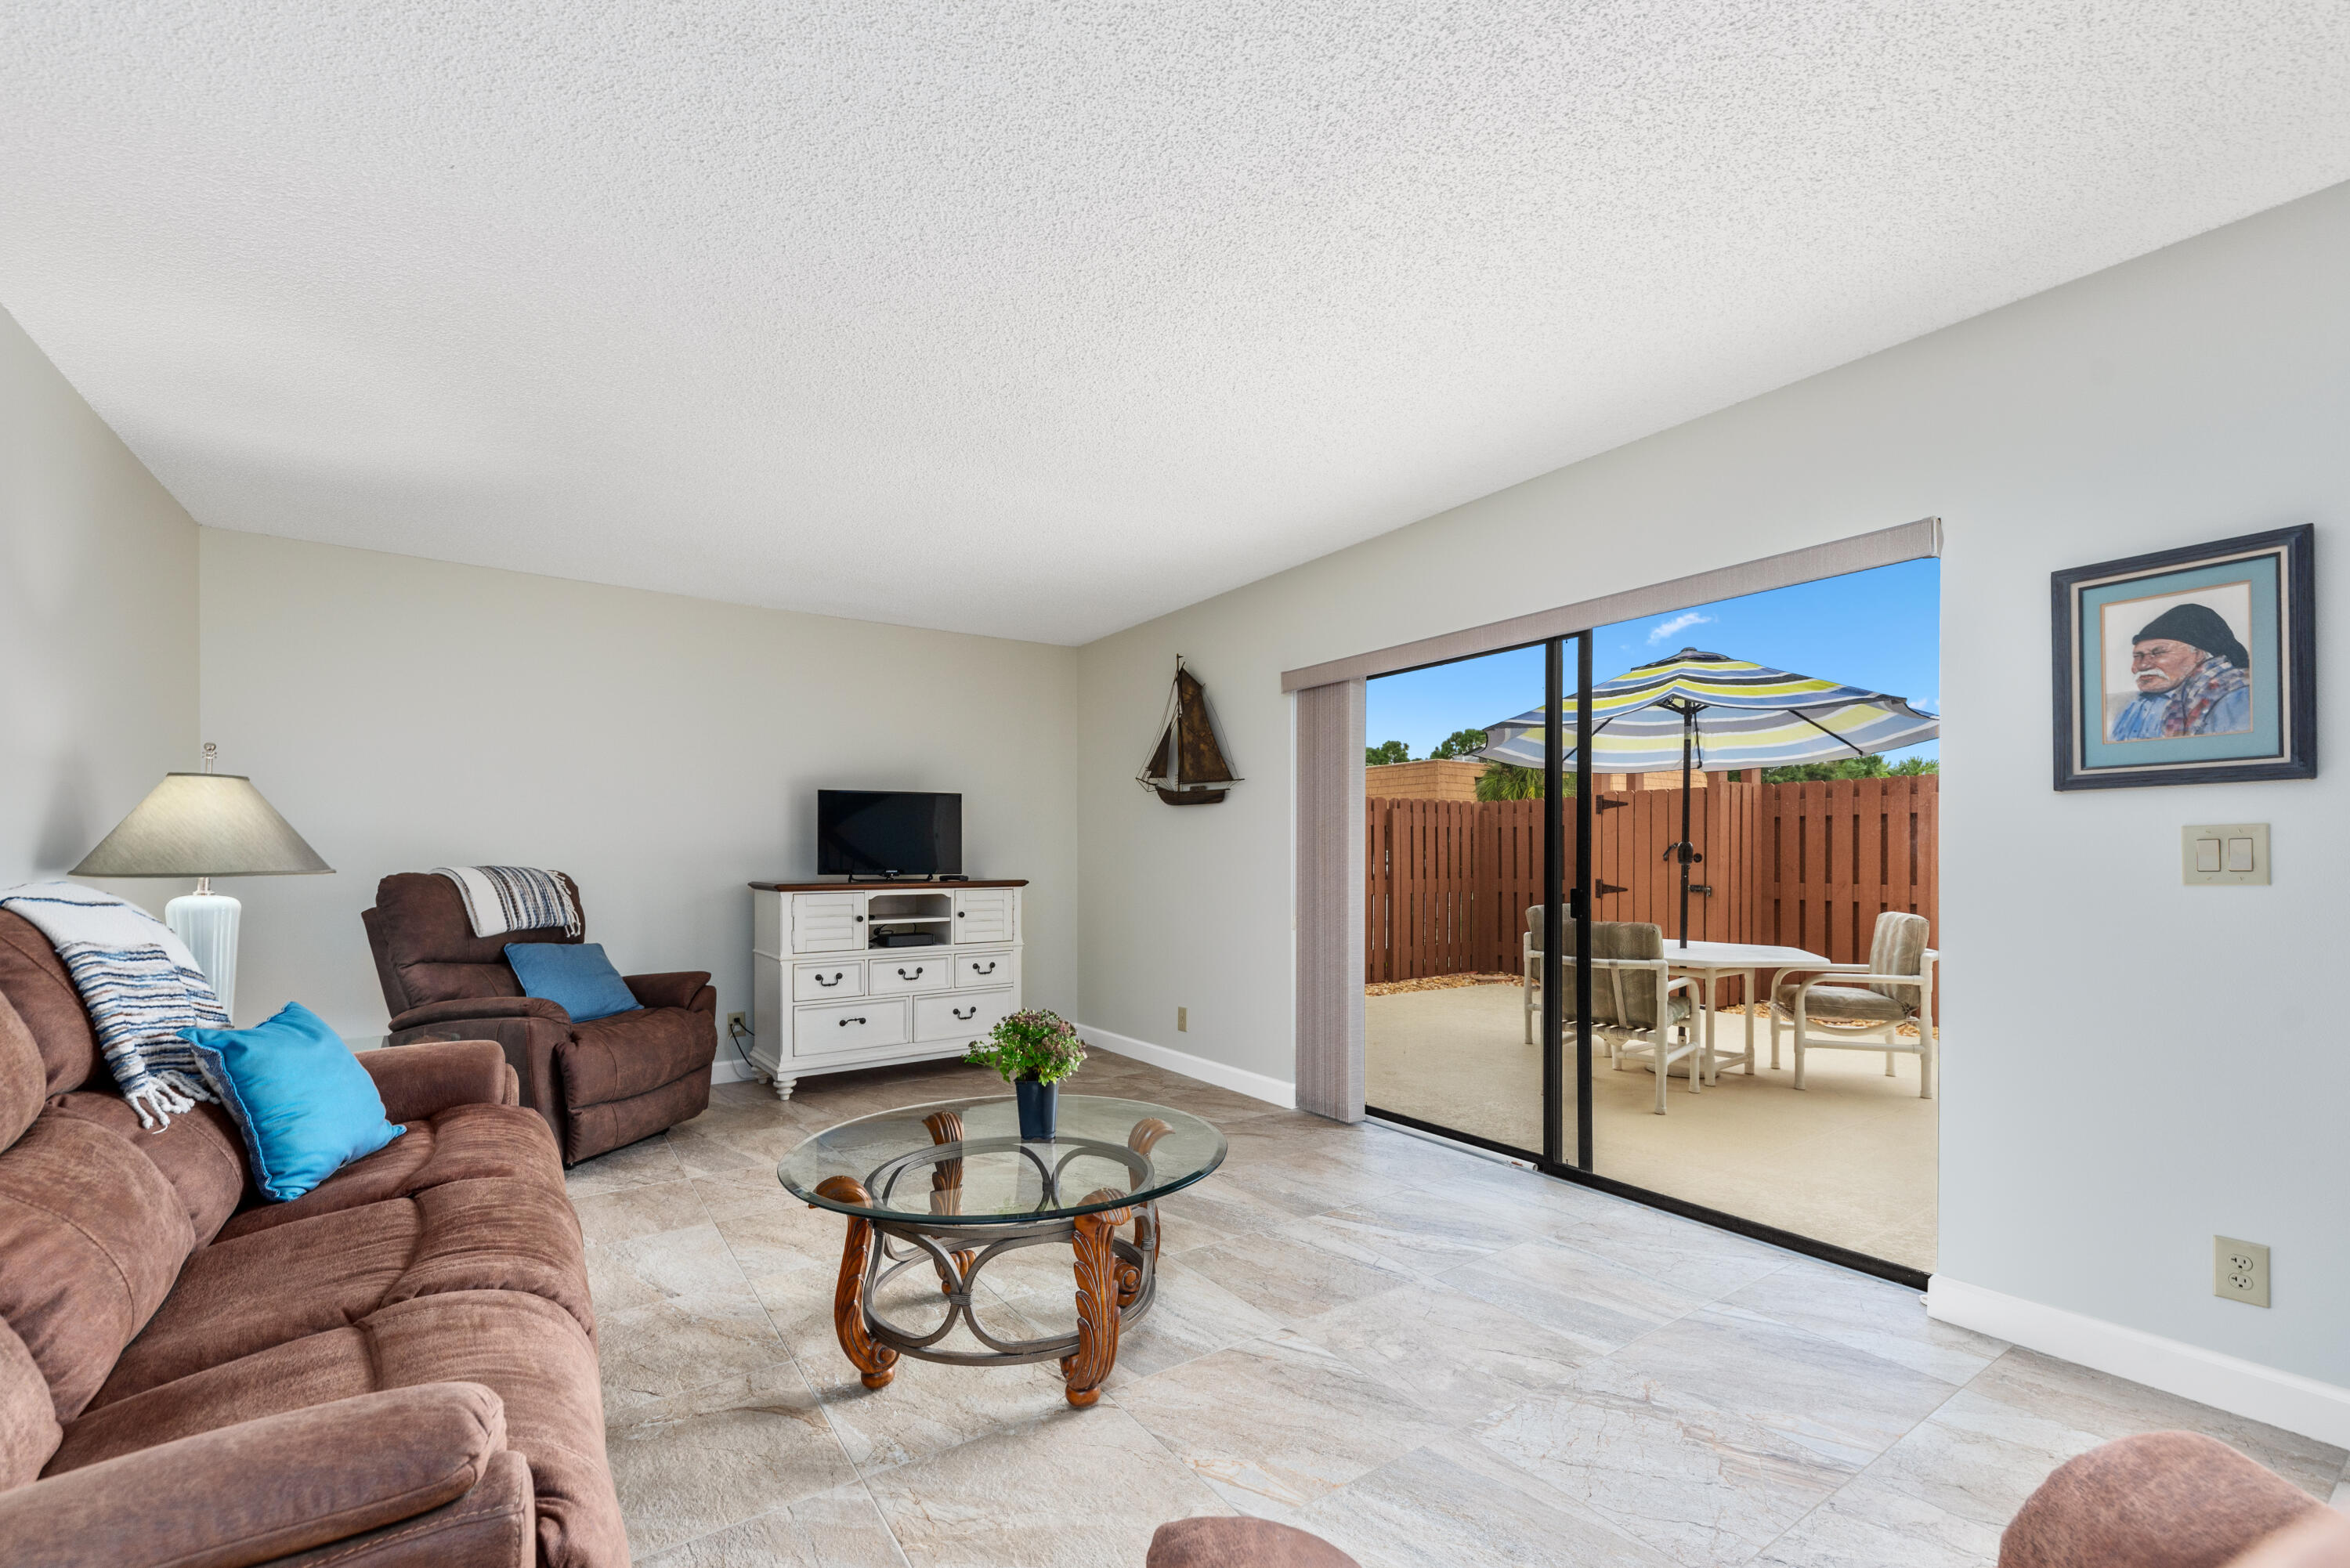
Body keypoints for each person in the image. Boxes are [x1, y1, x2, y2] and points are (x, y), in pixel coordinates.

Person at [2108, 602, 2252, 740]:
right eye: (2138, 656)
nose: (2142, 665)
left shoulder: (2235, 697)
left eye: (2158, 653)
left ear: (2198, 654)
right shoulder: (2138, 705)